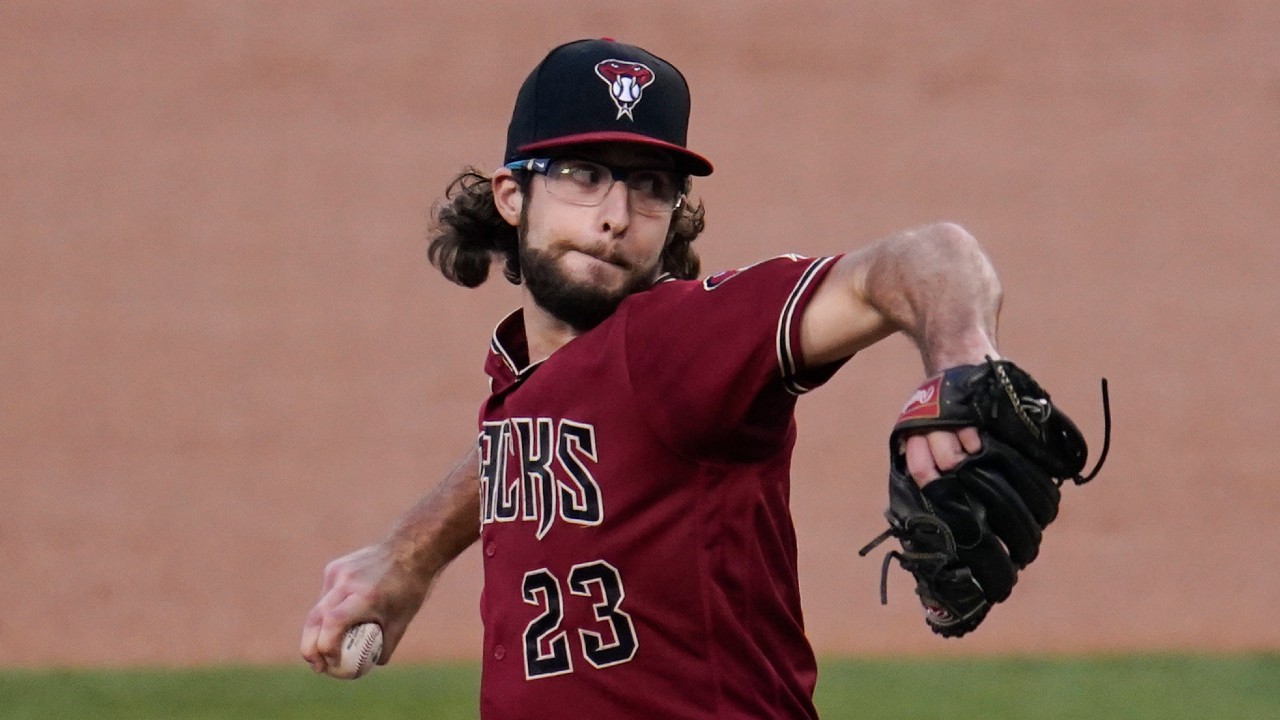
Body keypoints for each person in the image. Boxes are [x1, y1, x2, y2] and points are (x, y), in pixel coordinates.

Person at [301, 38, 1002, 718]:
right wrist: (408, 554)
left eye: (650, 187)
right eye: (583, 175)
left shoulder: (678, 341)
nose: (615, 217)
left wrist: (961, 363)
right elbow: (542, 435)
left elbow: (927, 256)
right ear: (512, 194)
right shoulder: (529, 372)